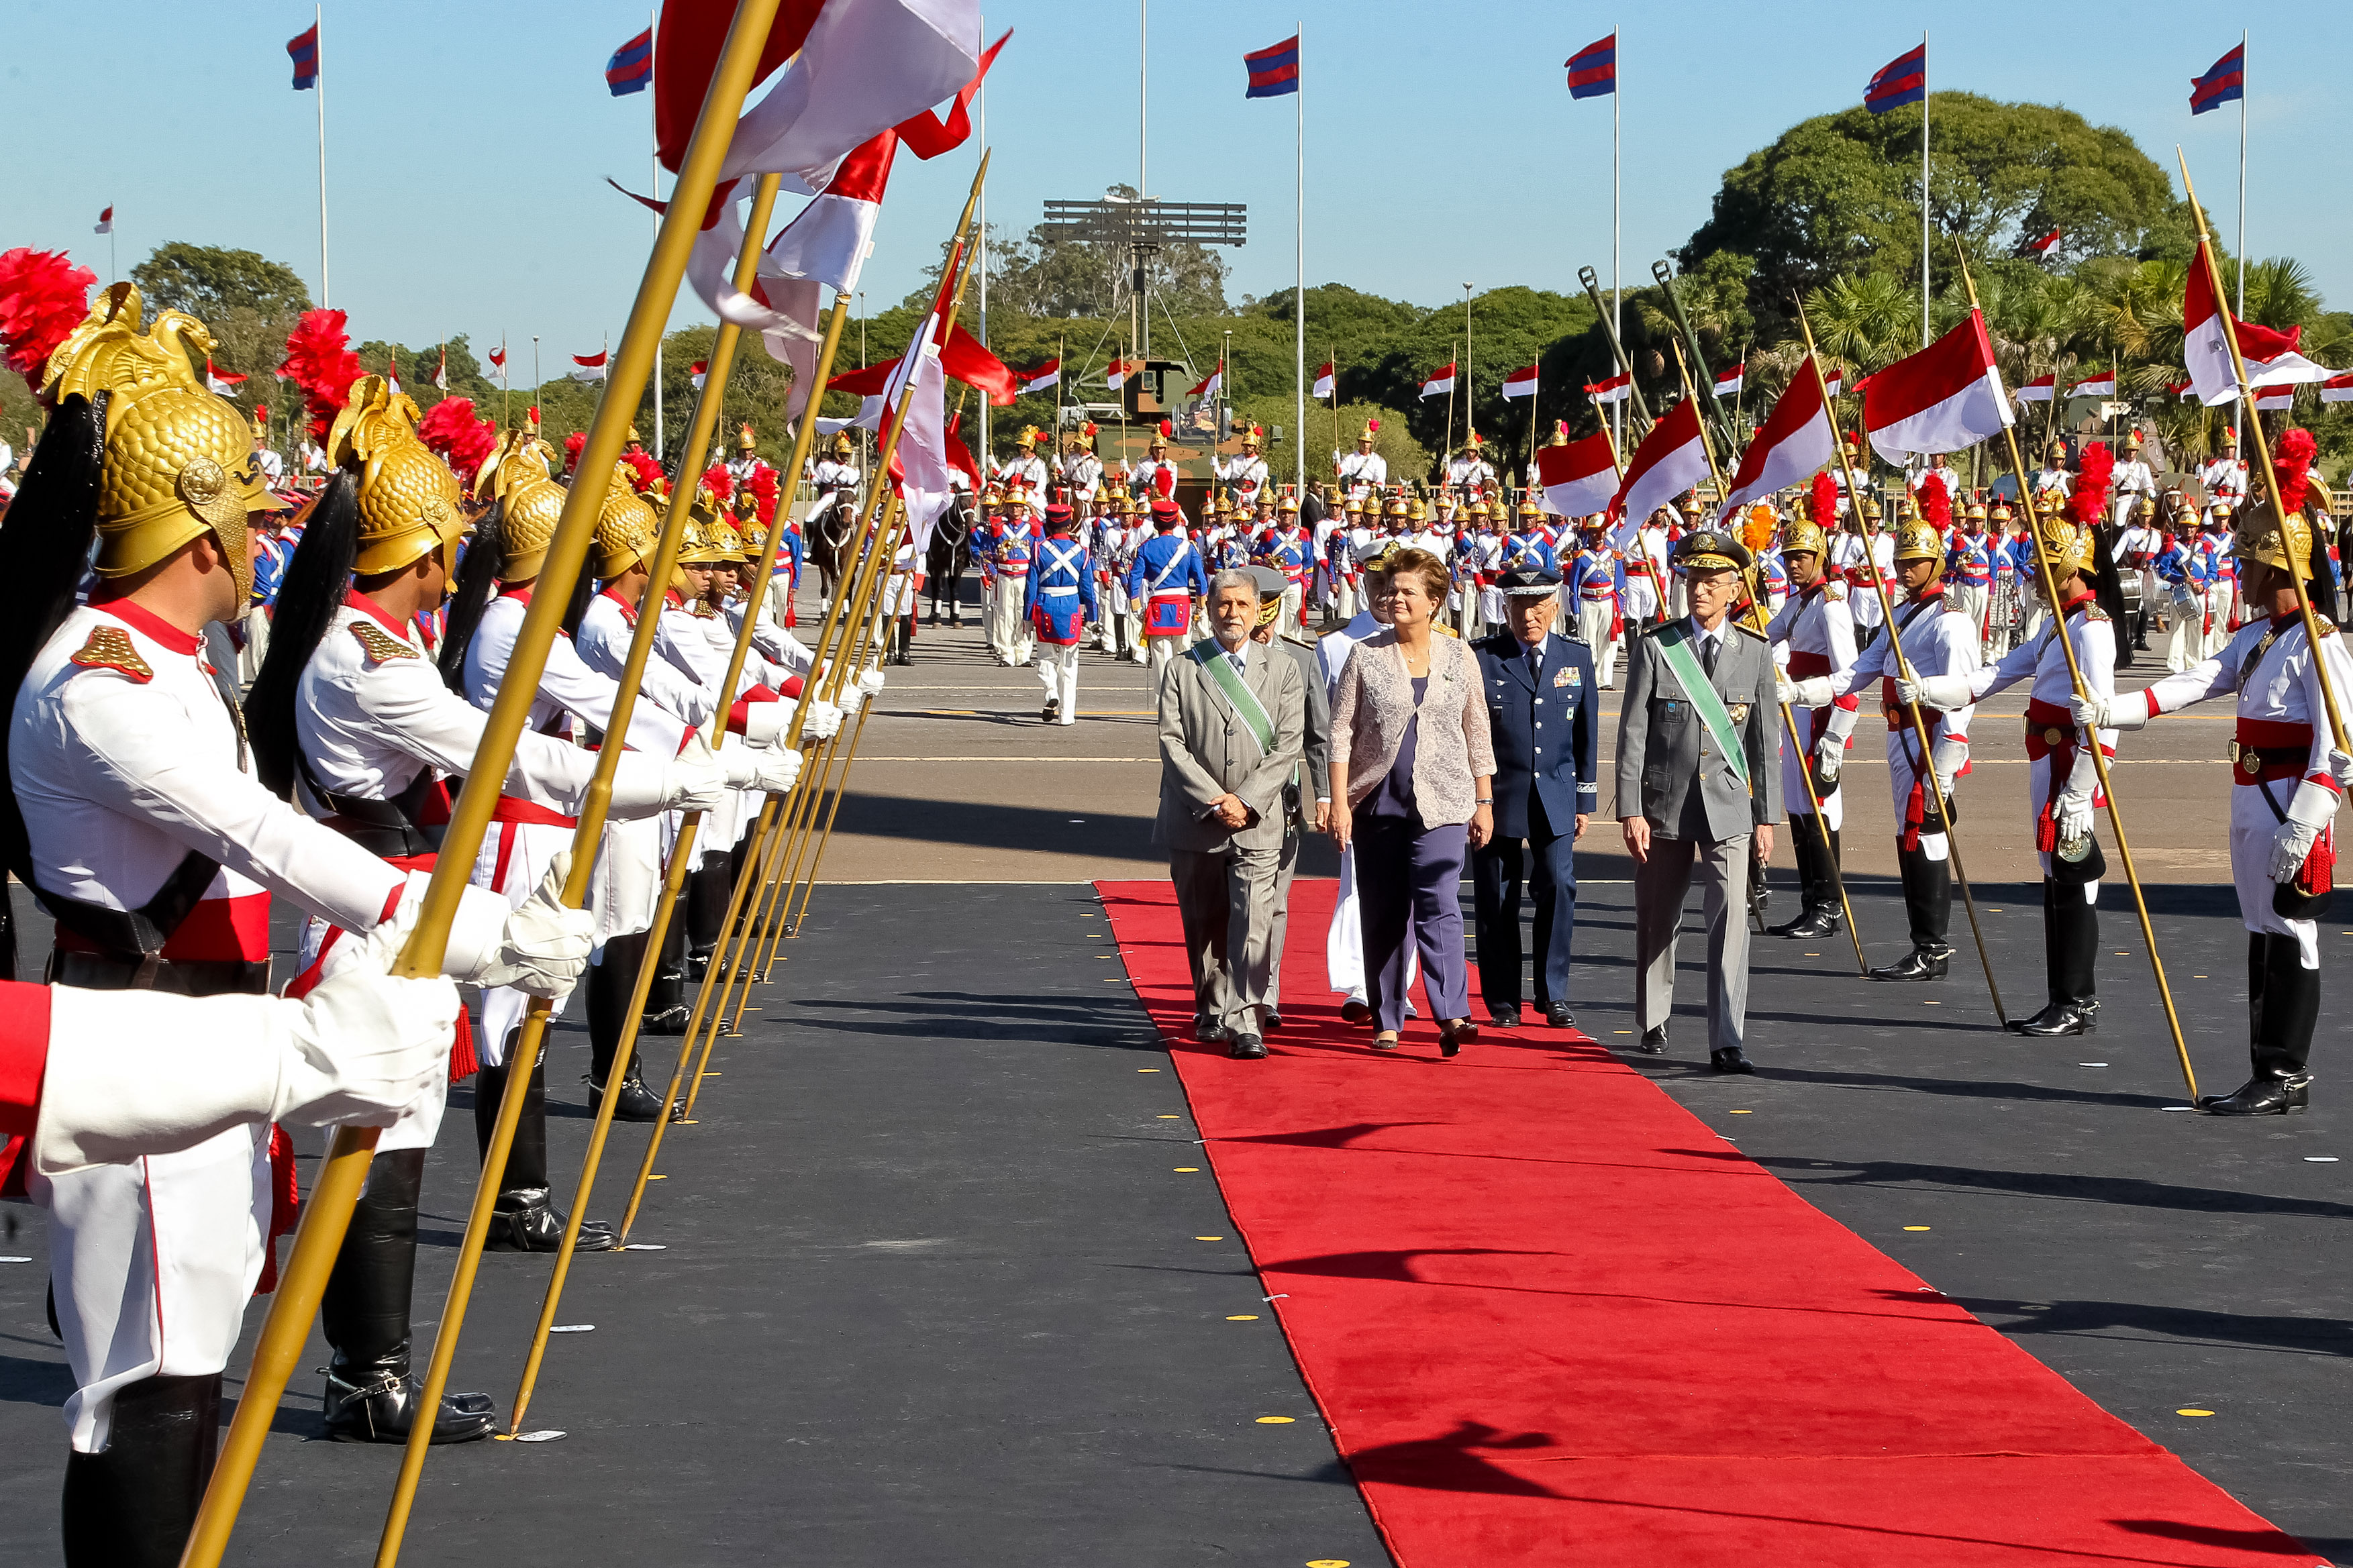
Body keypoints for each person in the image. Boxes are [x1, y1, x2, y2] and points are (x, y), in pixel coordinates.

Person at [3, 291, 593, 1563]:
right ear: (202, 532)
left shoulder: (154, 659)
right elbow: (262, 833)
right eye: (254, 524)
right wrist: (479, 927)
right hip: (133, 1042)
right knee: (147, 1378)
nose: (273, 547)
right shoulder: (96, 680)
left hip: (201, 1030)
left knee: (190, 1361)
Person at [2072, 433, 2349, 1112]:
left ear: (2275, 567)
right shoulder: (2256, 637)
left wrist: (2308, 823)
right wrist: (2116, 707)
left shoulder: (2319, 641)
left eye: (2246, 564)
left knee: (2290, 930)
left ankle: (2285, 1073)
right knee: (2259, 929)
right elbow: (2196, 681)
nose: (2238, 576)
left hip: (2288, 803)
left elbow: (2340, 745)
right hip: (2250, 797)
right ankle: (2264, 1069)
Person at [1904, 477, 2119, 1035]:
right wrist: (1928, 691)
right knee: (2055, 876)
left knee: (2074, 881)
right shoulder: (2057, 626)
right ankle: (2063, 997)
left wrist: (2078, 792)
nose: (2037, 579)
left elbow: (2105, 725)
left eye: (2047, 568)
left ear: (2072, 569)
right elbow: (1991, 676)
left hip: (2071, 767)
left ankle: (2078, 1000)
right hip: (2045, 764)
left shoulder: (2092, 632)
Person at [1616, 529, 1781, 1073]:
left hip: (1730, 807)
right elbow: (1634, 732)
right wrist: (1630, 807)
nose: (1700, 590)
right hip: (1665, 804)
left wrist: (1767, 817)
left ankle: (1727, 1035)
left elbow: (1763, 745)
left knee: (1732, 922)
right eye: (1692, 579)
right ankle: (1654, 1016)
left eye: (1712, 581)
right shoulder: (1658, 646)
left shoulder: (1755, 653)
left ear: (1735, 588)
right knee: (1658, 915)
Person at [1789, 516, 1981, 980]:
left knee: (1928, 835)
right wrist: (1800, 693)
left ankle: (1933, 947)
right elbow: (1857, 673)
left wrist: (1946, 761)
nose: (1906, 569)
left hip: (1929, 738)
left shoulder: (1951, 621)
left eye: (1916, 562)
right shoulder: (1900, 615)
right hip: (1899, 734)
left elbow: (1964, 698)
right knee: (1907, 835)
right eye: (1901, 562)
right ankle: (1922, 942)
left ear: (1936, 564)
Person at [1330, 547, 1496, 1055]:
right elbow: (1339, 734)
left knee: (1439, 901)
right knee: (1383, 909)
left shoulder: (1460, 655)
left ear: (1435, 601)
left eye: (1408, 591)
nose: (1395, 598)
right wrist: (1339, 802)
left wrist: (1484, 799)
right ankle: (1388, 1015)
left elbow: (1478, 731)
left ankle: (1453, 1011)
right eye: (1391, 589)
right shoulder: (1366, 655)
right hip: (1378, 802)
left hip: (1445, 802)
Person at [1153, 568, 1307, 1059]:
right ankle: (1211, 1005)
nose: (1232, 614)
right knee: (1203, 922)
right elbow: (1171, 742)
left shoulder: (1283, 668)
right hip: (1196, 819)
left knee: (1254, 920)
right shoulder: (1182, 668)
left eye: (1242, 605)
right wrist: (1215, 800)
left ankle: (1247, 1020)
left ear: (1257, 608)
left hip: (1259, 819)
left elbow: (1288, 745)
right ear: (1209, 609)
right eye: (1223, 605)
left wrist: (1248, 800)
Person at [1469, 566, 1596, 1030]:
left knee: (1559, 888)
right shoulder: (1483, 658)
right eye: (1520, 606)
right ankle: (1503, 998)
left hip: (1556, 794)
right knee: (1497, 898)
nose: (1530, 616)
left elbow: (1587, 732)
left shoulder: (1575, 657)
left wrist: (1585, 800)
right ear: (1505, 608)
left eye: (1539, 606)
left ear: (1555, 606)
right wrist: (1475, 800)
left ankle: (1553, 992)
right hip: (1498, 797)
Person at [1764, 509, 1858, 939]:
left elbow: (1849, 678)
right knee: (1799, 810)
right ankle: (1810, 901)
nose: (1794, 562)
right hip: (1794, 709)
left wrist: (1835, 737)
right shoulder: (1799, 602)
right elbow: (1768, 634)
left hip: (1819, 713)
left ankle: (1829, 905)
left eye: (1802, 554)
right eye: (1789, 555)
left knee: (1821, 809)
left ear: (1819, 554)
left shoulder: (1832, 606)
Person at [1248, 566, 1330, 1029]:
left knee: (1275, 901)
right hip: (1230, 797)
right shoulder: (1210, 661)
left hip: (1283, 800)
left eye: (1262, 618)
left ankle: (1267, 992)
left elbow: (1318, 735)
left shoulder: (1299, 660)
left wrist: (1323, 796)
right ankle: (1228, 991)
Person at [1025, 501, 1095, 725]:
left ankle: (1050, 691)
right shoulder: (1082, 553)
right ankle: (1067, 716)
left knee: (1046, 657)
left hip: (1046, 606)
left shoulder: (1038, 551)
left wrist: (1027, 616)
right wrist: (1092, 617)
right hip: (1071, 609)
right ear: (1069, 524)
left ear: (1048, 524)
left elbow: (1031, 587)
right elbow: (1088, 590)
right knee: (1069, 664)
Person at [1127, 497, 1208, 676]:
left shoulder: (1145, 548)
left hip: (1158, 608)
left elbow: (1134, 579)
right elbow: (1201, 580)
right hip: (1182, 607)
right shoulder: (1188, 548)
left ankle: (1163, 702)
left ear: (1154, 522)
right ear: (1176, 523)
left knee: (1161, 663)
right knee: (1184, 659)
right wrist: (1200, 608)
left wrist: (1137, 608)